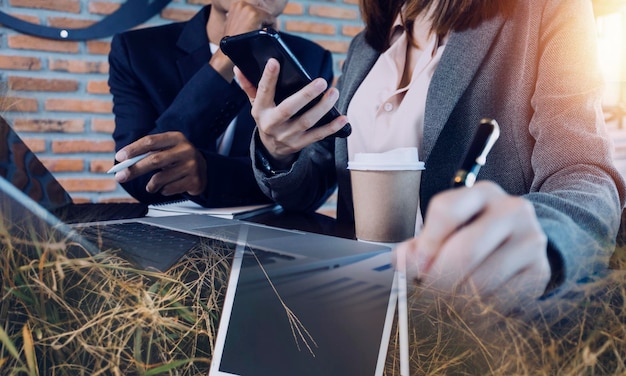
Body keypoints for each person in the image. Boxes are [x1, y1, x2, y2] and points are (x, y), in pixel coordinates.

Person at [238, 0, 626, 307]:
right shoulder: (365, 46)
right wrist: (278, 151)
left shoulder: (546, 9)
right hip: (358, 305)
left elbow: (585, 172)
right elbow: (315, 179)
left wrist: (545, 238)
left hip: (469, 316)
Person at [107, 1, 334, 207]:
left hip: (269, 236)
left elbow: (312, 187)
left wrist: (210, 175)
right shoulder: (136, 50)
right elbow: (136, 174)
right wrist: (225, 57)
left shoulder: (311, 58)